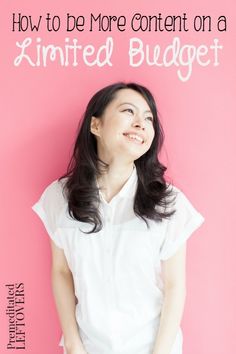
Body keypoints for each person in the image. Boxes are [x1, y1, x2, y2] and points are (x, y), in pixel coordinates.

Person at [32, 82, 205, 354]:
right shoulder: (59, 197)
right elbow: (61, 272)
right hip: (88, 348)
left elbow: (174, 286)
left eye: (149, 119)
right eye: (129, 111)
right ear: (96, 126)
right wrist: (74, 345)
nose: (141, 124)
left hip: (151, 347)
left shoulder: (169, 202)